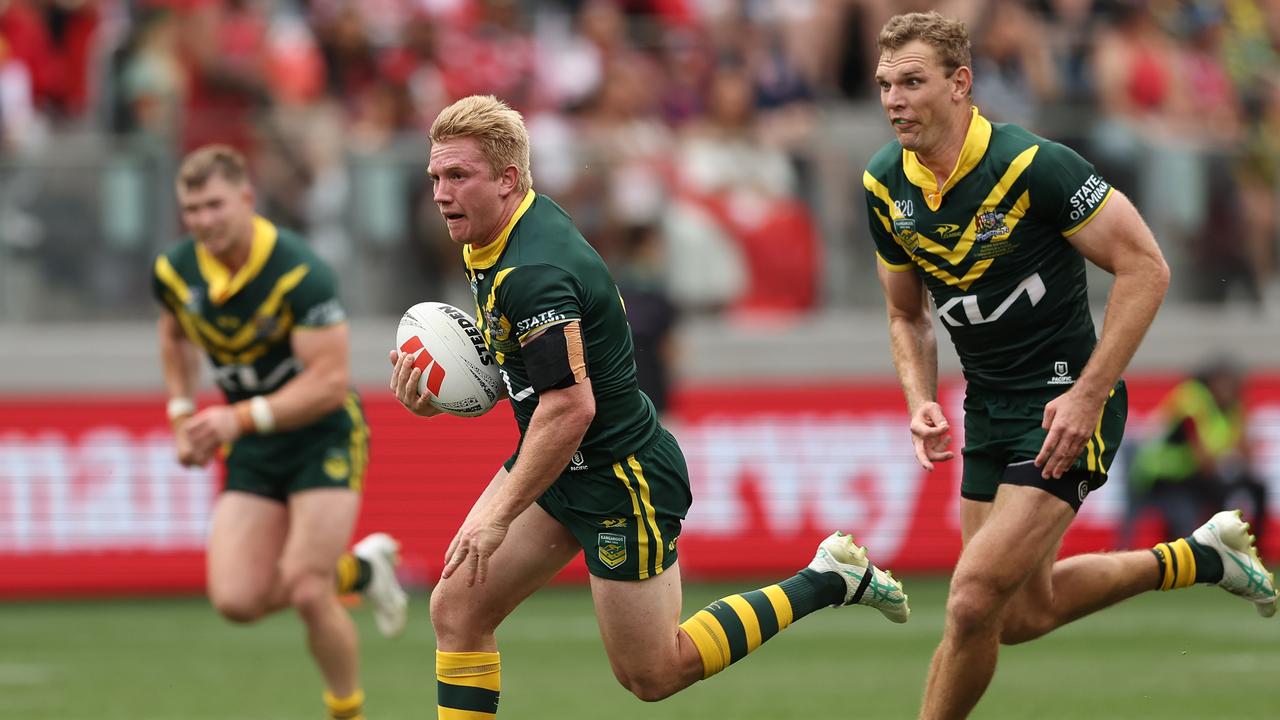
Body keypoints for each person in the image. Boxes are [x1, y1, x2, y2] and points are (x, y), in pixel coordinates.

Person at [389, 95, 909, 719]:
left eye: (458, 177)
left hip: (618, 477)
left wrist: (497, 513)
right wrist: (444, 399)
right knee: (457, 608)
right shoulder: (502, 233)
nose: (441, 194)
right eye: (436, 178)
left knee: (654, 673)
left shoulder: (532, 270)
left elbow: (569, 407)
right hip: (561, 467)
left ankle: (827, 578)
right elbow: (532, 372)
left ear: (508, 180)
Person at [862, 12, 1277, 720]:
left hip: (1064, 403)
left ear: (960, 84)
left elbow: (1145, 267)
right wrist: (918, 397)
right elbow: (907, 314)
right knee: (1017, 615)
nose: (895, 99)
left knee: (968, 599)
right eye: (884, 84)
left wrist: (1089, 394)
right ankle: (1203, 558)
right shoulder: (884, 186)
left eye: (912, 81)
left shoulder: (1033, 166)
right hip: (989, 410)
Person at [151, 144, 409, 720]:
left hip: (323, 434)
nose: (203, 220)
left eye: (214, 205)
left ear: (247, 199)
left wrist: (233, 418)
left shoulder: (299, 270)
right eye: (191, 209)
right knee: (236, 601)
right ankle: (364, 569)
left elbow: (328, 382)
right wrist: (179, 413)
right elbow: (174, 334)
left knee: (309, 589)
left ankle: (347, 711)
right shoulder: (175, 270)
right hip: (254, 441)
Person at [1127, 358, 1269, 548]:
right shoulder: (1192, 399)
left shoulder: (1232, 406)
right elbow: (1201, 456)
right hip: (1164, 474)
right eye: (1223, 383)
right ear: (1210, 382)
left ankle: (1255, 551)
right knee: (1220, 491)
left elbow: (1246, 453)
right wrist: (1227, 464)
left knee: (1257, 487)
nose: (1228, 389)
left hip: (1195, 472)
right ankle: (1219, 551)